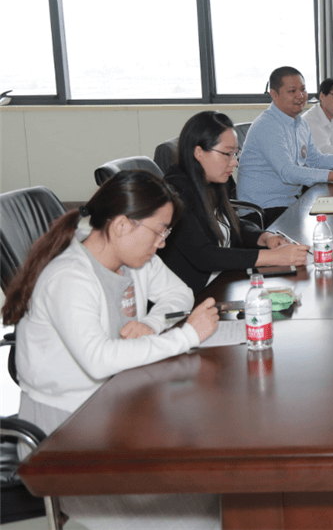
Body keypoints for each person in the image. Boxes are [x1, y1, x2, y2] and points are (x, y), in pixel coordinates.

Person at [2, 170, 222, 530]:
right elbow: (98, 360)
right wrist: (186, 336)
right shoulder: (69, 277)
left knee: (215, 491)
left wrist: (151, 324)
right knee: (198, 518)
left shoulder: (134, 259)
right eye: (159, 231)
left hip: (115, 411)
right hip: (62, 435)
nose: (162, 243)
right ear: (121, 225)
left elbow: (178, 293)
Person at [159, 111, 310, 294]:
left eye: (235, 154)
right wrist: (274, 257)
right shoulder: (175, 194)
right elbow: (204, 255)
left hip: (223, 280)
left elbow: (229, 224)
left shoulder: (212, 179)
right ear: (198, 152)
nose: (234, 162)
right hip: (193, 295)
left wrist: (264, 237)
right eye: (227, 154)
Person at [238, 66, 333, 227]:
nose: (300, 96)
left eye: (303, 89)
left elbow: (316, 159)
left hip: (291, 201)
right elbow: (288, 172)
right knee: (329, 227)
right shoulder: (268, 125)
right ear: (274, 94)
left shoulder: (300, 123)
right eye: (292, 91)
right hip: (263, 210)